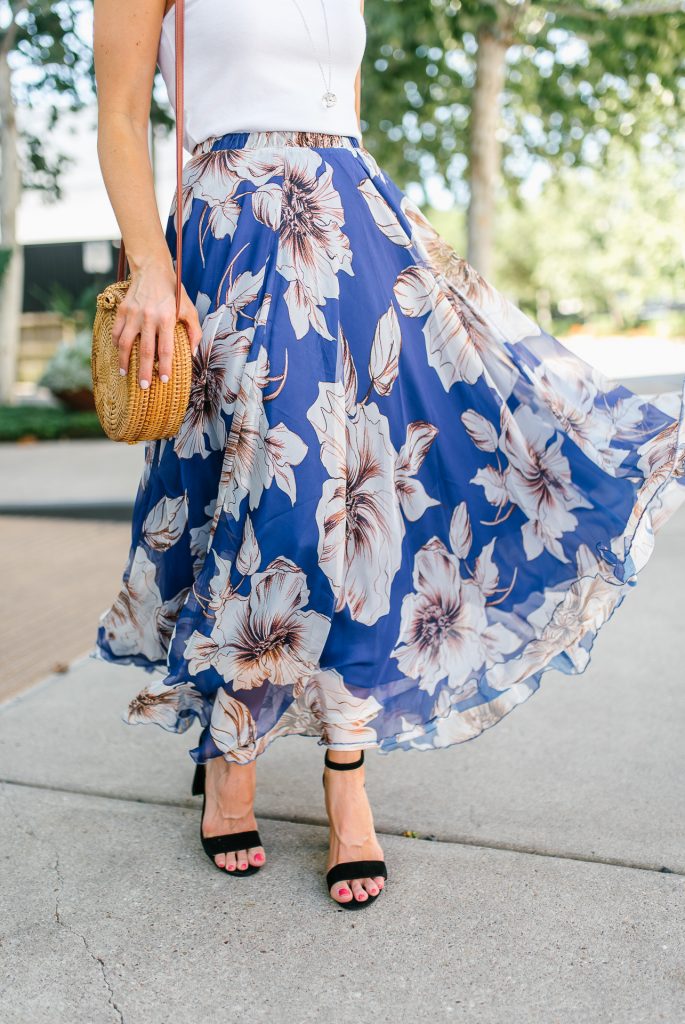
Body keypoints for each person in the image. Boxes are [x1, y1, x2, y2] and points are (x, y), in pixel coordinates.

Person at [90, 0, 685, 910]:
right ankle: (230, 748)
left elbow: (342, 112)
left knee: (376, 490)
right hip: (235, 229)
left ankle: (346, 771)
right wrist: (150, 265)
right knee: (268, 486)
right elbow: (121, 113)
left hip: (356, 230)